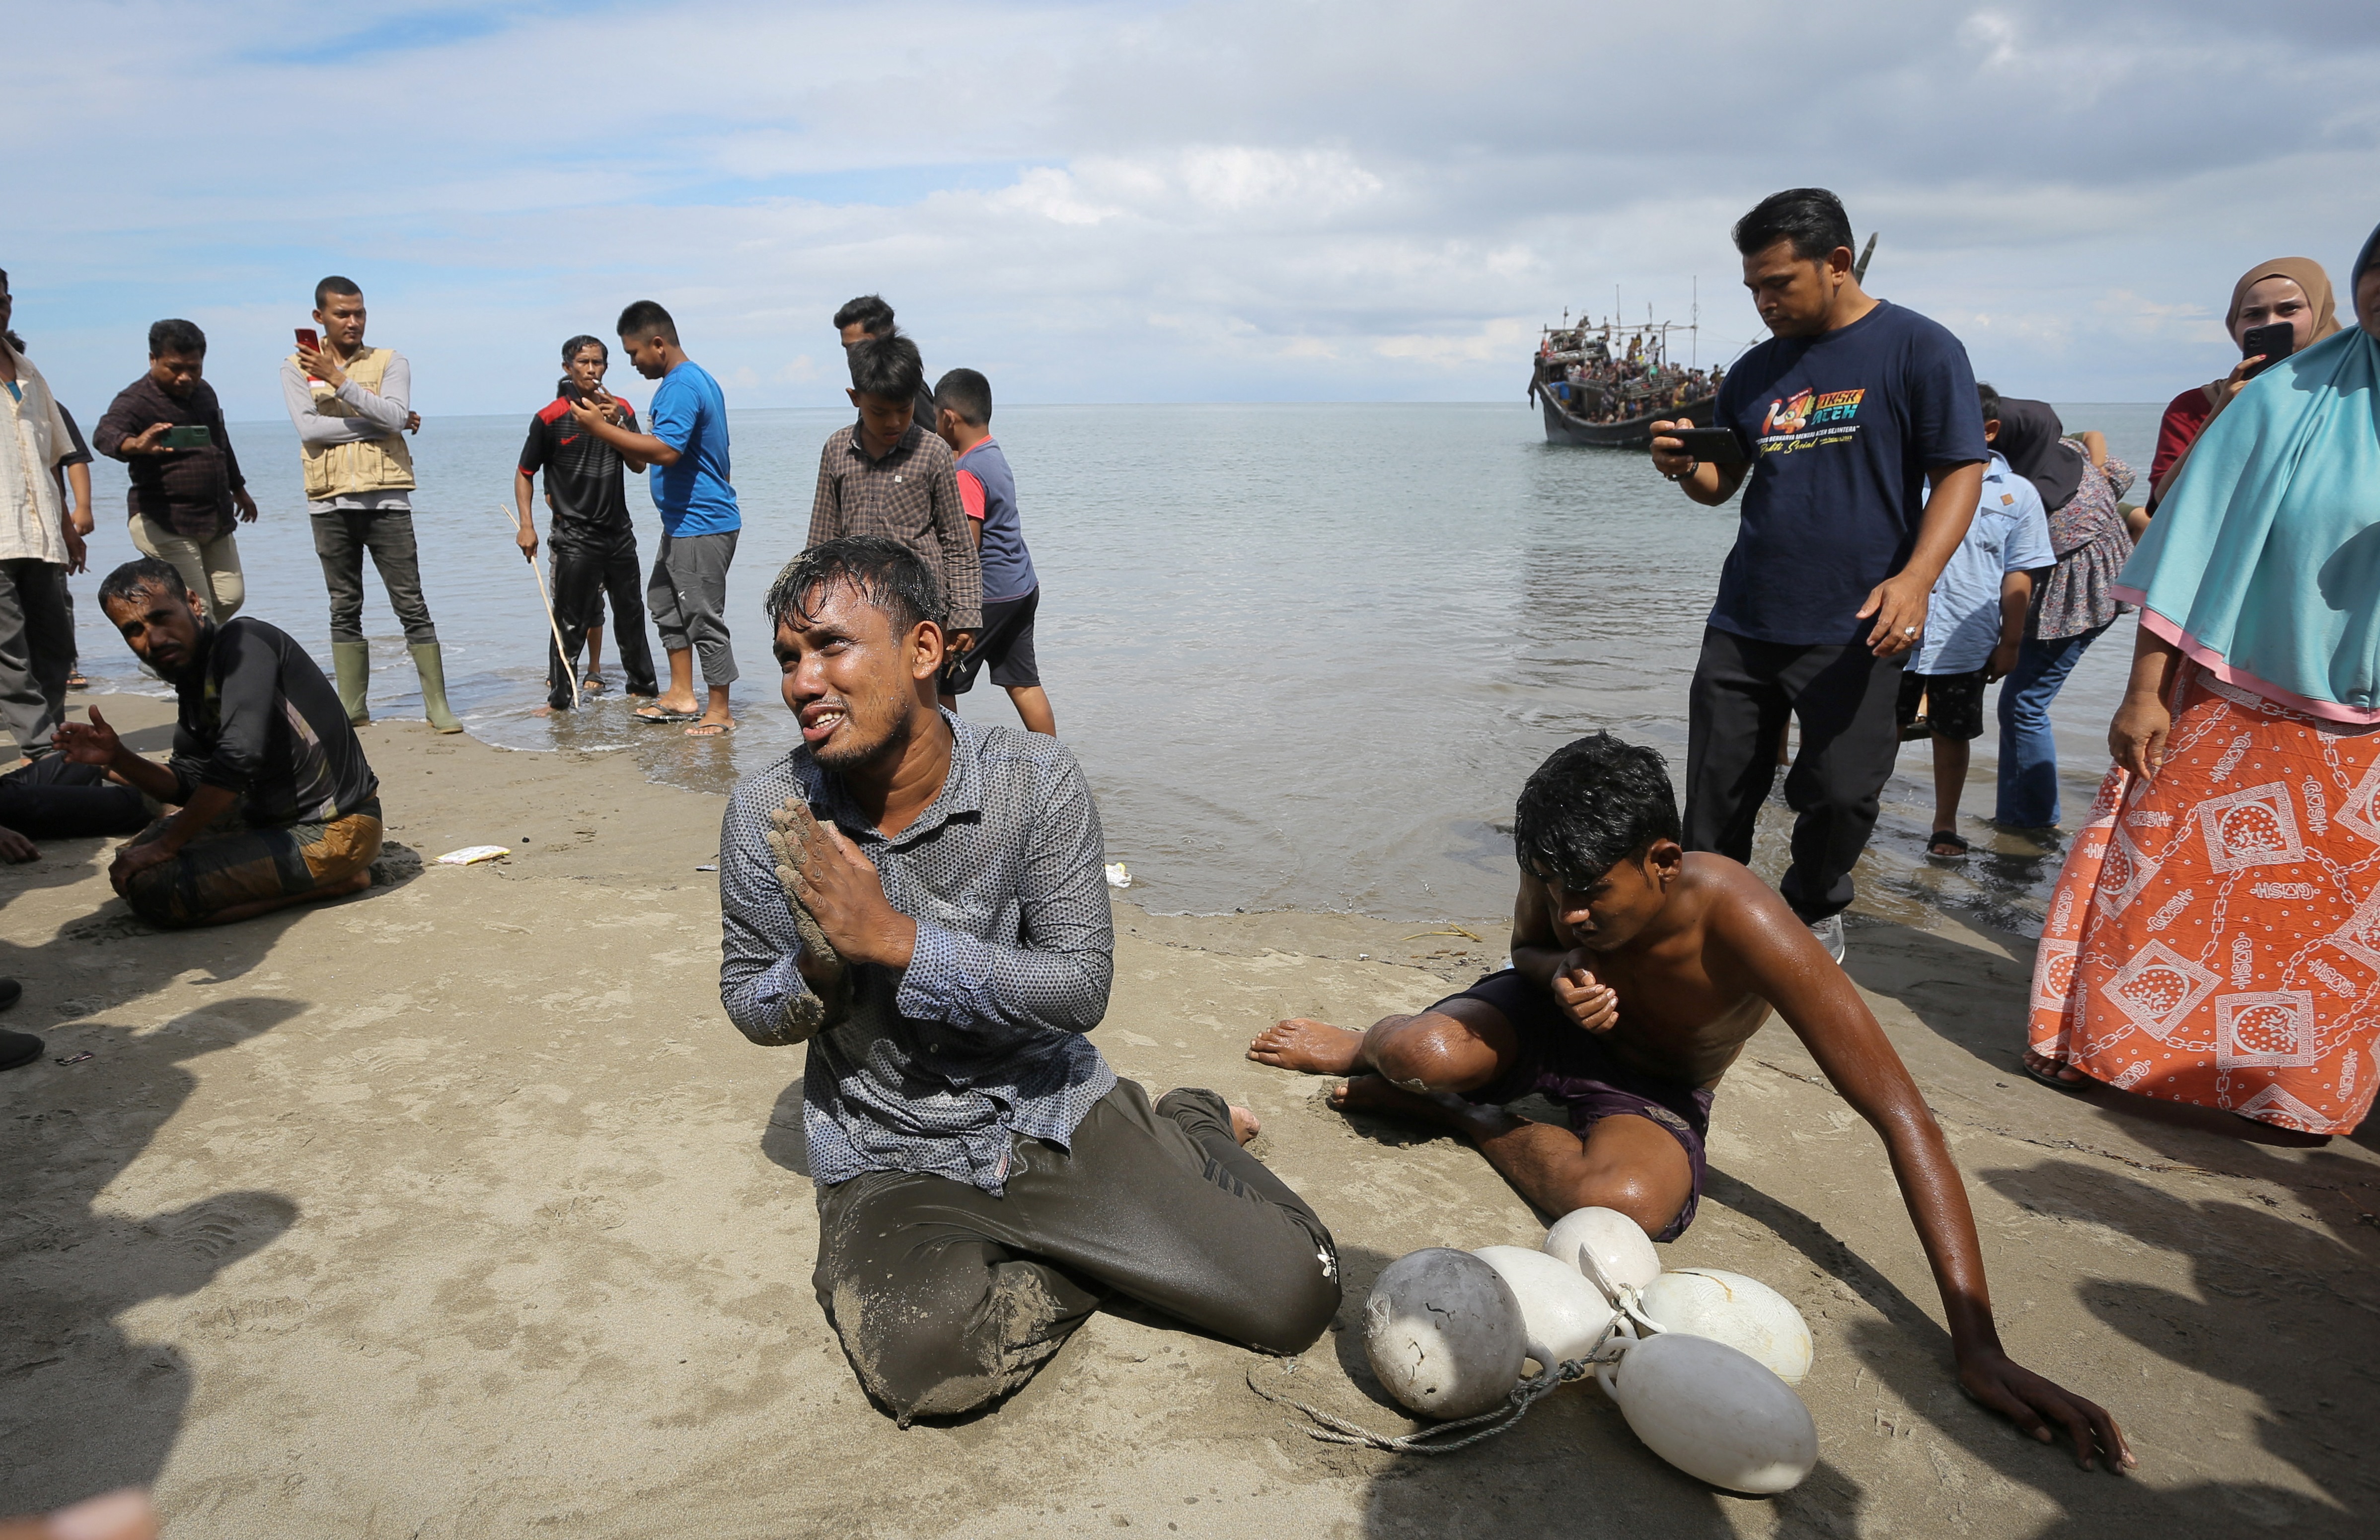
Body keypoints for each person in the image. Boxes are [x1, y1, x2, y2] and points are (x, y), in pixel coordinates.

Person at [1247, 732, 2132, 1471]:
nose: (1569, 910)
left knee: (1625, 1205)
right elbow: (1524, 946)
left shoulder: (1745, 923)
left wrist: (1976, 1340)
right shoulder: (1562, 873)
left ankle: (1464, 1116)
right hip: (1540, 1019)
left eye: (1589, 897)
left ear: (1663, 862)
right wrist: (1560, 973)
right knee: (1418, 1048)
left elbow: (1900, 1114)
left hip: (1650, 1084)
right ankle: (1381, 1049)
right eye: (1554, 892)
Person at [721, 537, 1337, 1425]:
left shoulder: (1036, 782)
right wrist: (818, 964)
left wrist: (896, 940)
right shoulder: (765, 815)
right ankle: (1103, 1249)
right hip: (889, 1145)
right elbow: (748, 996)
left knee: (1293, 1298)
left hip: (1050, 1111)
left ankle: (1190, 1120)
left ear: (924, 650)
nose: (801, 682)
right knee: (926, 1368)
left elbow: (1080, 985)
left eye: (830, 647)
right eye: (788, 658)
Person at [2024, 222, 2380, 1141]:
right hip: (2233, 692)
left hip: (2364, 727)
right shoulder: (2274, 401)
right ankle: (2113, 1053)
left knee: (2329, 931)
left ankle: (2290, 1096)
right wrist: (2143, 689)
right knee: (2166, 889)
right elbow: (2185, 549)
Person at [1650, 188, 1986, 961]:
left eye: (1779, 284)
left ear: (1838, 264)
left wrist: (1918, 580)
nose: (1765, 303)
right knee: (1716, 797)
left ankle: (1811, 908)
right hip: (1746, 617)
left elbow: (1961, 471)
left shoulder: (1918, 348)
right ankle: (1707, 922)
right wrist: (1682, 466)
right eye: (1754, 290)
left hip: (1860, 619)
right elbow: (1721, 485)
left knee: (1841, 793)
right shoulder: (1755, 371)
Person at [54, 558, 382, 929]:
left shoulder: (244, 642)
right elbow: (188, 782)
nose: (154, 638)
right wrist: (119, 757)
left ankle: (338, 883)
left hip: (337, 827)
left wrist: (168, 845)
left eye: (161, 617)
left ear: (194, 603)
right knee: (130, 860)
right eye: (134, 629)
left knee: (155, 888)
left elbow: (239, 756)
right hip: (264, 818)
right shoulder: (192, 676)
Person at [282, 276, 462, 733]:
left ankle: (437, 706)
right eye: (343, 313)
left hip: (388, 501)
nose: (354, 321)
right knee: (344, 605)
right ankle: (353, 707)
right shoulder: (293, 367)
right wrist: (381, 423)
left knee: (411, 603)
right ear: (319, 317)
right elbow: (310, 431)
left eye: (360, 312)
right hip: (328, 502)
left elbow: (397, 415)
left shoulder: (390, 361)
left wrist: (340, 384)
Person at [569, 300, 740, 737]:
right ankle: (682, 694)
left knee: (702, 614)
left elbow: (667, 451)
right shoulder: (687, 381)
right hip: (683, 521)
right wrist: (621, 420)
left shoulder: (681, 386)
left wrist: (600, 429)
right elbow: (650, 454)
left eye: (633, 354)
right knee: (664, 601)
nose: (631, 363)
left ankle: (719, 709)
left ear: (658, 344)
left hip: (703, 521)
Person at [1897, 385, 2052, 857]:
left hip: (1965, 638)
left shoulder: (2016, 494)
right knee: (1878, 733)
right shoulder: (1905, 478)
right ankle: (1857, 815)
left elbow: (2019, 572)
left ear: (1988, 432)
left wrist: (2011, 641)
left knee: (1952, 733)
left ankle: (1944, 824)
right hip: (1895, 633)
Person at [1990, 399, 2136, 829]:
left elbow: (2006, 564)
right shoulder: (2067, 455)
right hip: (2108, 587)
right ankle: (2023, 812)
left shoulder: (2036, 501)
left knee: (2024, 705)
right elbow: (2113, 461)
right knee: (2022, 703)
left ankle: (2029, 820)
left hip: (2074, 604)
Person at [806, 335, 981, 658]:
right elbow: (821, 541)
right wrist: (812, 607)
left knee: (927, 698)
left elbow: (958, 543)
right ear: (855, 398)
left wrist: (965, 614)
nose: (895, 422)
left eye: (904, 409)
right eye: (880, 411)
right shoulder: (837, 450)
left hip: (921, 605)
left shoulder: (933, 452)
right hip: (856, 604)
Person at [514, 335, 658, 715]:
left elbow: (639, 464)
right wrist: (526, 525)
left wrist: (618, 422)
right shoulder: (551, 417)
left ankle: (643, 691)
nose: (592, 370)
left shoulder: (621, 409)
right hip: (574, 535)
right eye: (584, 363)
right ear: (568, 368)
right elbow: (525, 472)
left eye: (599, 363)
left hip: (619, 532)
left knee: (631, 614)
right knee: (569, 622)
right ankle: (560, 699)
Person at [2147, 258, 2339, 519]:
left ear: (2320, 314)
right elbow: (2164, 504)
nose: (2269, 324)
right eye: (2253, 314)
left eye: (2289, 310)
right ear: (2233, 324)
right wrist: (2222, 415)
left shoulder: (2353, 396)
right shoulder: (2195, 407)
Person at [96, 318, 256, 626]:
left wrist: (239, 489)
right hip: (164, 521)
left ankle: (169, 646)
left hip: (214, 517)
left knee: (230, 597)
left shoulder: (205, 392)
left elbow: (221, 444)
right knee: (201, 609)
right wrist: (135, 445)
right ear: (153, 359)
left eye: (194, 368)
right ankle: (200, 669)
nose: (185, 377)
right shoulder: (136, 400)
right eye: (174, 368)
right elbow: (105, 434)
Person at [930, 367, 1055, 734]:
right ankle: (1055, 764)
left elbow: (968, 546)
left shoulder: (966, 471)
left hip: (991, 596)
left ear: (948, 418)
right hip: (1022, 586)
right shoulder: (992, 454)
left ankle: (951, 765)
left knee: (937, 679)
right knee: (1023, 682)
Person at [0, 268, 87, 761]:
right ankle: (42, 748)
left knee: (55, 648)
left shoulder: (30, 375)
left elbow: (55, 456)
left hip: (40, 537)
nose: (0, 308)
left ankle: (53, 739)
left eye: (3, 299)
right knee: (9, 653)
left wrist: (69, 528)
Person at [831, 293, 940, 428]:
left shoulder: (905, 387)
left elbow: (940, 439)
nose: (852, 357)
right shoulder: (870, 387)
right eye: (848, 349)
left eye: (859, 348)